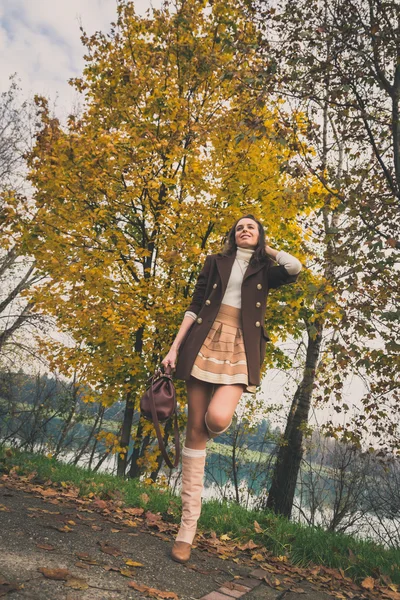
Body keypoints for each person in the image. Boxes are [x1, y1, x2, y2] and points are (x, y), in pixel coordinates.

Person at [161, 214, 302, 563]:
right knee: (195, 432)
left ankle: (203, 439)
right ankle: (187, 529)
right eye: (239, 227)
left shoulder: (265, 272)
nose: (244, 230)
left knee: (218, 419)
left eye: (252, 226)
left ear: (260, 235)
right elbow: (194, 306)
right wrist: (174, 348)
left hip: (241, 347)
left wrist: (264, 248)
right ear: (231, 235)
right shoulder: (215, 262)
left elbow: (295, 266)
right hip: (203, 341)